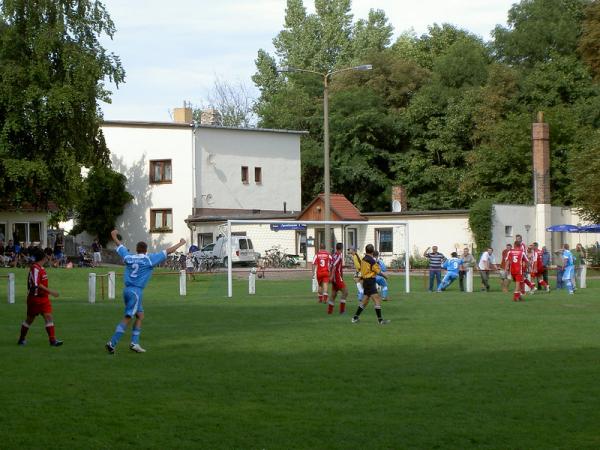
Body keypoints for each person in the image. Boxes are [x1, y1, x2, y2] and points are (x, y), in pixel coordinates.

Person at [105, 230, 186, 354]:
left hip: (127, 290)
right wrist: (181, 243)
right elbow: (168, 251)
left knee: (140, 315)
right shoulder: (149, 259)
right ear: (145, 250)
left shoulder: (129, 257)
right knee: (128, 317)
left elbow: (119, 246)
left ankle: (134, 343)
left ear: (136, 250)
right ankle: (112, 343)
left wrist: (114, 236)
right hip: (136, 292)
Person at [17, 248, 63, 346]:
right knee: (29, 319)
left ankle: (53, 341)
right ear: (44, 257)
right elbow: (36, 284)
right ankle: (21, 339)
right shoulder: (35, 268)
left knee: (48, 317)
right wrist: (51, 292)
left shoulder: (41, 268)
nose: (49, 258)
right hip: (35, 298)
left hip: (43, 298)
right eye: (48, 256)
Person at [351, 244, 390, 325]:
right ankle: (380, 320)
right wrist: (385, 276)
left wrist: (361, 278)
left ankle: (355, 317)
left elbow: (362, 270)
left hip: (365, 281)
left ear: (366, 250)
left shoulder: (363, 259)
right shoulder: (372, 261)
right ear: (372, 251)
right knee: (377, 299)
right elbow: (378, 271)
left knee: (365, 300)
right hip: (370, 281)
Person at [328, 243, 348, 314]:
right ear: (342, 248)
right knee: (345, 292)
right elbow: (334, 266)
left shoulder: (333, 255)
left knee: (334, 294)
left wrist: (330, 275)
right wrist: (332, 276)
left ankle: (329, 311)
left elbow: (330, 265)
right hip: (337, 277)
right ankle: (342, 311)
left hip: (334, 277)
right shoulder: (339, 256)